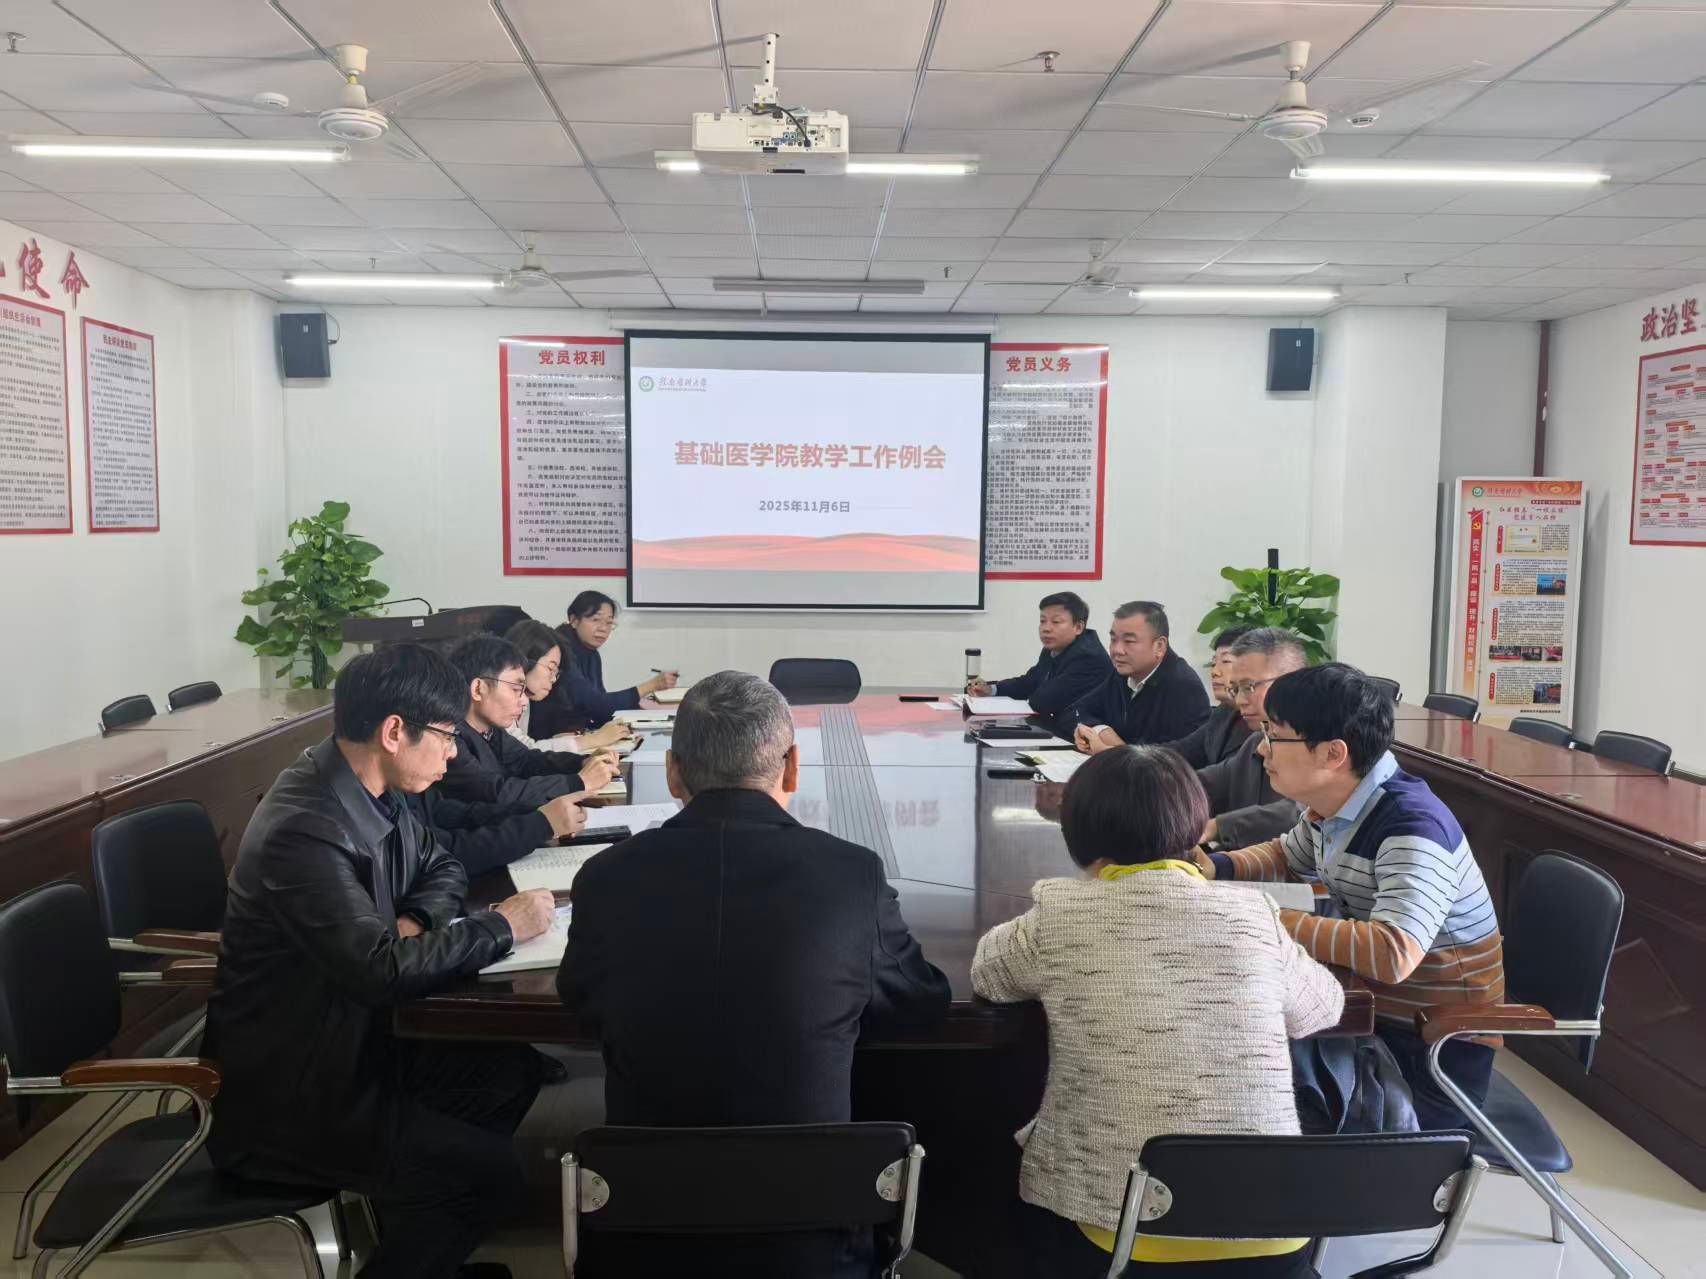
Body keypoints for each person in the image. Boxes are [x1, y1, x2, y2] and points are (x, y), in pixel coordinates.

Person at [560, 669, 951, 1276]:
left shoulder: (605, 878)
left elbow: (582, 1005)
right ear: (792, 768)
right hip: (814, 1244)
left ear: (673, 772)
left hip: (644, 1236)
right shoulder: (851, 875)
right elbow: (920, 1003)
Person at [206, 644, 558, 1279]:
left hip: (355, 1045)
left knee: (510, 1071)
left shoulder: (371, 785)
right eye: (447, 737)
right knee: (492, 1176)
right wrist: (500, 927)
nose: (453, 754)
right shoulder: (305, 828)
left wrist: (415, 921)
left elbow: (442, 865)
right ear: (395, 731)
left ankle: (423, 1228)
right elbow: (381, 973)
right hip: (296, 1092)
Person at [973, 746, 1342, 1278]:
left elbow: (989, 974)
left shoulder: (1061, 914)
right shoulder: (1251, 913)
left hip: (1118, 1234)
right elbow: (1322, 1008)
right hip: (1272, 1235)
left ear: (1077, 834)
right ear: (1192, 826)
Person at [1196, 663, 1506, 1130]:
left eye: (1275, 736)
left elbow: (1393, 952)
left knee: (1252, 1081)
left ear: (1333, 753)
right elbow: (1286, 853)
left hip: (1430, 1055)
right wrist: (1215, 867)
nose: (1261, 749)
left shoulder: (1411, 827)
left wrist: (1264, 919)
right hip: (1376, 1017)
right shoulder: (1338, 806)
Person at [440, 635, 619, 809]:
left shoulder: (490, 729)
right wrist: (578, 782)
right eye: (515, 689)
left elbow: (527, 760)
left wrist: (581, 763)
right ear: (478, 689)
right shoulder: (449, 739)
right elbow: (497, 793)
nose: (524, 701)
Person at [1195, 627, 1309, 849]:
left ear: (1291, 680)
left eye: (1249, 687)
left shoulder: (1318, 742)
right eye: (1236, 689)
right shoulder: (1255, 742)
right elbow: (1204, 783)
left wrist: (1217, 827)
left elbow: (1301, 812)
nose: (1240, 701)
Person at [529, 591, 678, 738]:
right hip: (551, 738)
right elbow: (595, 705)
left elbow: (601, 707)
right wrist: (651, 685)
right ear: (574, 620)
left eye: (609, 622)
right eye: (595, 619)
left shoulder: (591, 652)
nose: (603, 628)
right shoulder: (560, 651)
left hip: (579, 733)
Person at [1065, 601, 1210, 752]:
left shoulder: (1183, 686)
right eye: (1113, 639)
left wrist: (1115, 752)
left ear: (1159, 646)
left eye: (1129, 641)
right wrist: (1102, 731)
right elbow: (1080, 709)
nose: (1117, 650)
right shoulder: (1123, 673)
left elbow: (1177, 755)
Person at [967, 591, 1113, 715]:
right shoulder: (1053, 648)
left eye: (1056, 622)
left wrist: (1034, 691)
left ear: (1078, 627)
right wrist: (991, 689)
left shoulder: (1088, 658)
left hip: (1083, 735)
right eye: (1043, 621)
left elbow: (1043, 701)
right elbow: (1029, 682)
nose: (1046, 628)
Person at [504, 619, 631, 754]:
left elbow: (525, 746)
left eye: (556, 673)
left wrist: (562, 740)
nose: (553, 679)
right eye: (550, 668)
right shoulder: (503, 699)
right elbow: (524, 752)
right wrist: (593, 740)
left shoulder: (525, 698)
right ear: (525, 659)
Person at [1160, 624, 1253, 768]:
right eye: (1214, 663)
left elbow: (1225, 775)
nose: (1215, 672)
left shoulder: (1262, 722)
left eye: (1226, 661)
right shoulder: (1223, 712)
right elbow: (1181, 750)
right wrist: (1132, 755)